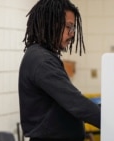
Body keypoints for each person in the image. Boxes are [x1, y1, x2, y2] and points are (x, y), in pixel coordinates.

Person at [18, 0, 100, 141]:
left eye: (73, 28)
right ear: (50, 23)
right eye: (69, 27)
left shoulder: (43, 56)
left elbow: (62, 107)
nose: (72, 34)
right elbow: (75, 103)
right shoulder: (41, 60)